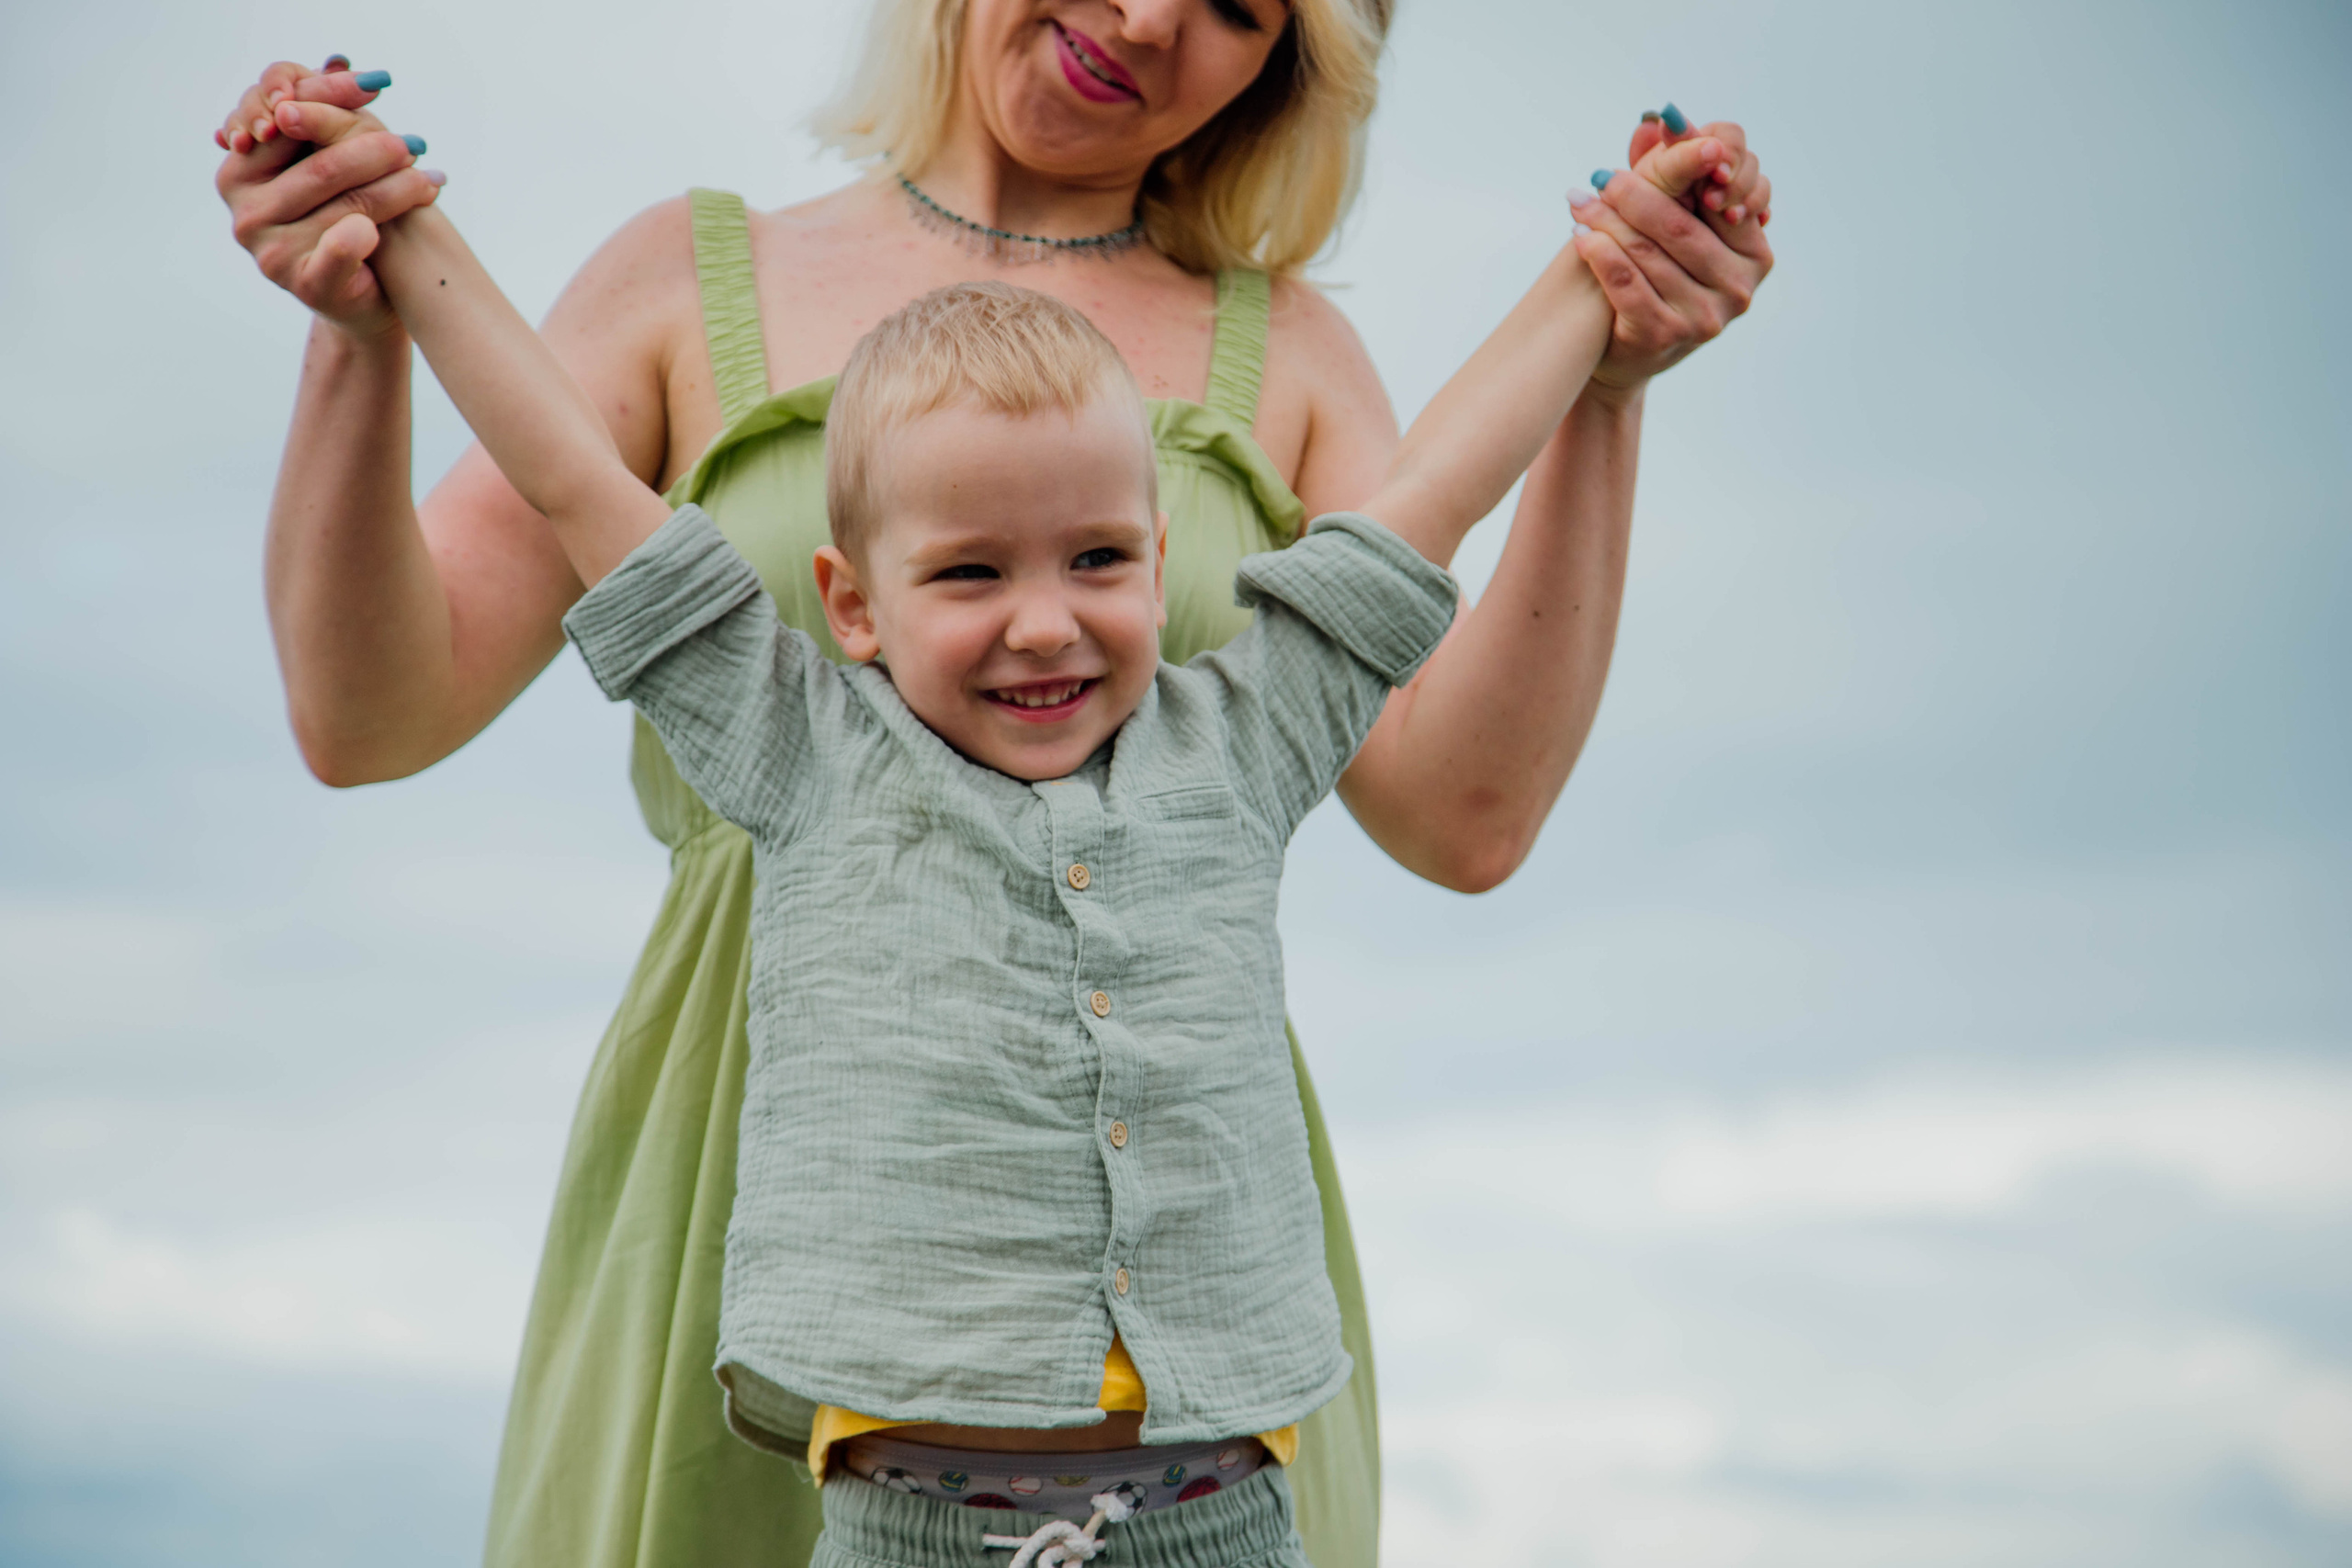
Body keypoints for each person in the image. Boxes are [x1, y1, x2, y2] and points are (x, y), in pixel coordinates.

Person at [211, 6, 1773, 1563]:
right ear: (848, 601)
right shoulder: (683, 294)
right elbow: (394, 687)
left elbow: (1460, 762)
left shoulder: (1288, 382)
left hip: (1196, 1358)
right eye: (968, 572)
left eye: (1239, 5)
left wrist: (1607, 344)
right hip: (746, 1212)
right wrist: (371, 284)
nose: (1150, 16)